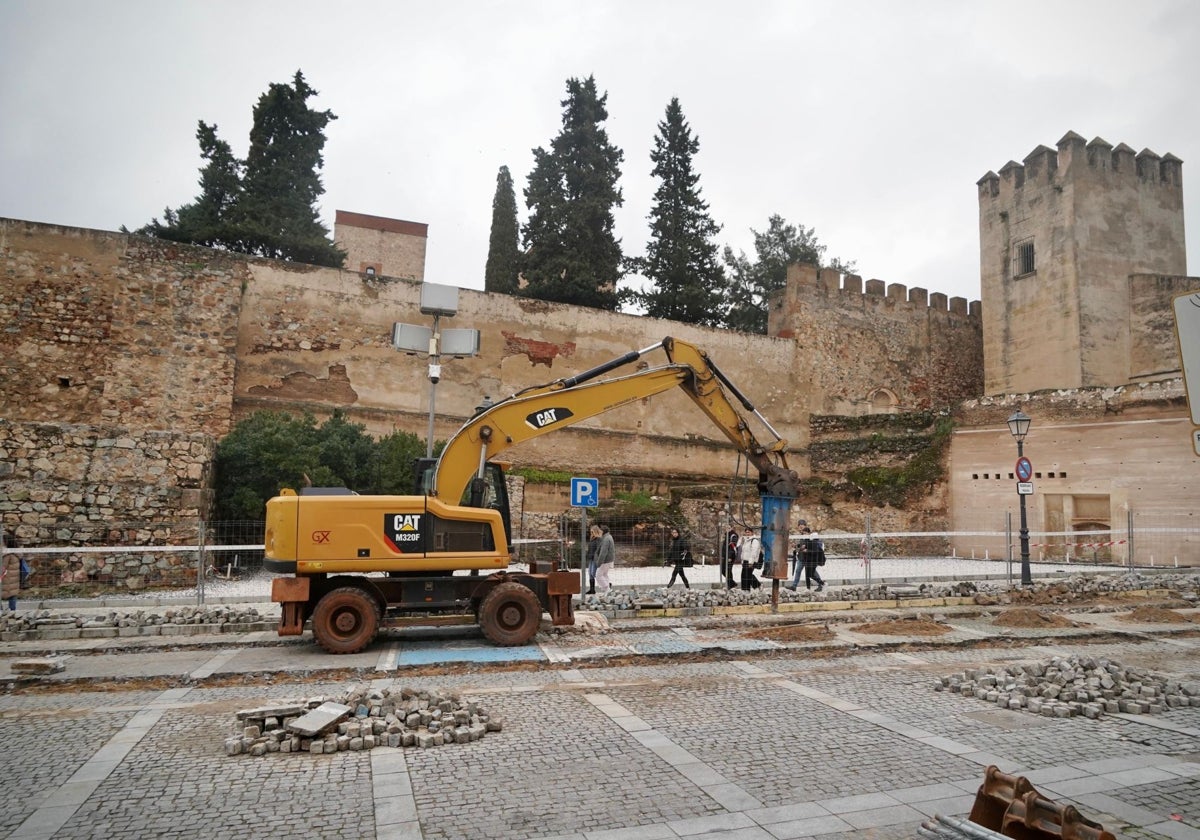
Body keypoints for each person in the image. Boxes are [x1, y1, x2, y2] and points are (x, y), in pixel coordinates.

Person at [788, 526, 825, 591]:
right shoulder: (802, 538)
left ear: (808, 533)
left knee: (812, 573)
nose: (804, 534)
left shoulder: (811, 540)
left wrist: (805, 550)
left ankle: (821, 584)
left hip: (808, 559)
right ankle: (794, 586)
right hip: (801, 558)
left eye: (805, 533)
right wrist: (796, 546)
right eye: (803, 533)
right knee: (798, 571)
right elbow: (800, 546)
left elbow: (812, 549)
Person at [594, 524, 616, 592]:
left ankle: (607, 589)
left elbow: (603, 552)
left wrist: (599, 562)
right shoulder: (609, 537)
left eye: (600, 531)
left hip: (605, 561)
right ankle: (607, 590)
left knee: (598, 575)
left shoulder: (606, 539)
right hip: (609, 560)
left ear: (603, 531)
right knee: (604, 574)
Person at [738, 526, 761, 590]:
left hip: (751, 561)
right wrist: (742, 560)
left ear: (752, 532)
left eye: (749, 532)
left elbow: (754, 552)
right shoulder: (746, 541)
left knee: (748, 575)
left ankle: (758, 585)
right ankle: (745, 589)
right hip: (745, 560)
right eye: (746, 532)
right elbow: (743, 551)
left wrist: (751, 562)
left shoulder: (754, 541)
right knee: (744, 576)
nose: (747, 533)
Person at [2, 539, 20, 611]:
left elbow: (3, 568)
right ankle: (12, 613)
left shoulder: (7, 555)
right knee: (13, 595)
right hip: (14, 579)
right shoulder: (16, 554)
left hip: (6, 580)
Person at [585, 525, 601, 595]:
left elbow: (598, 549)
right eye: (590, 531)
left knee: (593, 573)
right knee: (590, 574)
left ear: (595, 531)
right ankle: (592, 590)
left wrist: (596, 557)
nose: (591, 532)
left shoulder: (598, 539)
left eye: (592, 531)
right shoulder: (592, 539)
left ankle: (607, 584)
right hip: (591, 558)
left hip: (595, 558)